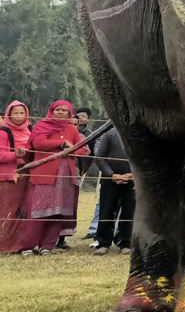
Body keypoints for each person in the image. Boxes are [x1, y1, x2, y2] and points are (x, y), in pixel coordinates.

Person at [20, 101, 86, 255]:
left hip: (64, 178)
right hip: (43, 175)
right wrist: (61, 143)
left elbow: (82, 149)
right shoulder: (42, 126)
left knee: (58, 211)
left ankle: (47, 246)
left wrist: (72, 150)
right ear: (51, 111)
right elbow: (38, 143)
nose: (60, 112)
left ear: (70, 114)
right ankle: (28, 246)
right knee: (37, 211)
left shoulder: (71, 129)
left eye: (64, 110)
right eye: (58, 109)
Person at [92, 124, 134, 254]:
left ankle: (125, 243)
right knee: (106, 211)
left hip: (133, 181)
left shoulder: (140, 134)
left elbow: (147, 158)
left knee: (130, 212)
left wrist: (134, 174)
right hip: (110, 181)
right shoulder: (110, 133)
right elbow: (99, 157)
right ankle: (103, 243)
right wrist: (111, 175)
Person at [0, 101, 32, 253]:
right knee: (8, 210)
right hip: (10, 176)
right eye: (15, 113)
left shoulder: (31, 129)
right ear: (8, 115)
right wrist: (15, 154)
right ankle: (4, 245)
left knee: (24, 210)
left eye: (22, 113)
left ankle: (21, 245)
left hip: (28, 175)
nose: (19, 116)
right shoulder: (4, 132)